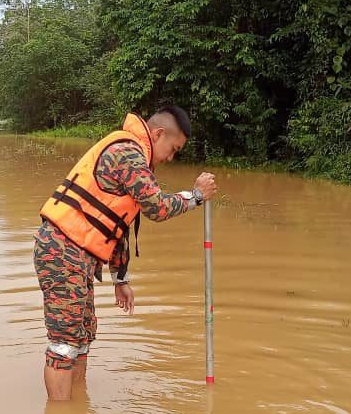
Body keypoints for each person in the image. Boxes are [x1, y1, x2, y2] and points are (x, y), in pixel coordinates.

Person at [33, 106, 218, 400]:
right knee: (65, 342)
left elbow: (117, 225)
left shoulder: (136, 156)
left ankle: (78, 403)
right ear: (158, 134)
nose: (171, 158)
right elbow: (156, 208)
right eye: (173, 149)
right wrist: (194, 196)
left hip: (77, 254)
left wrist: (121, 280)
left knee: (82, 337)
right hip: (62, 249)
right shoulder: (129, 152)